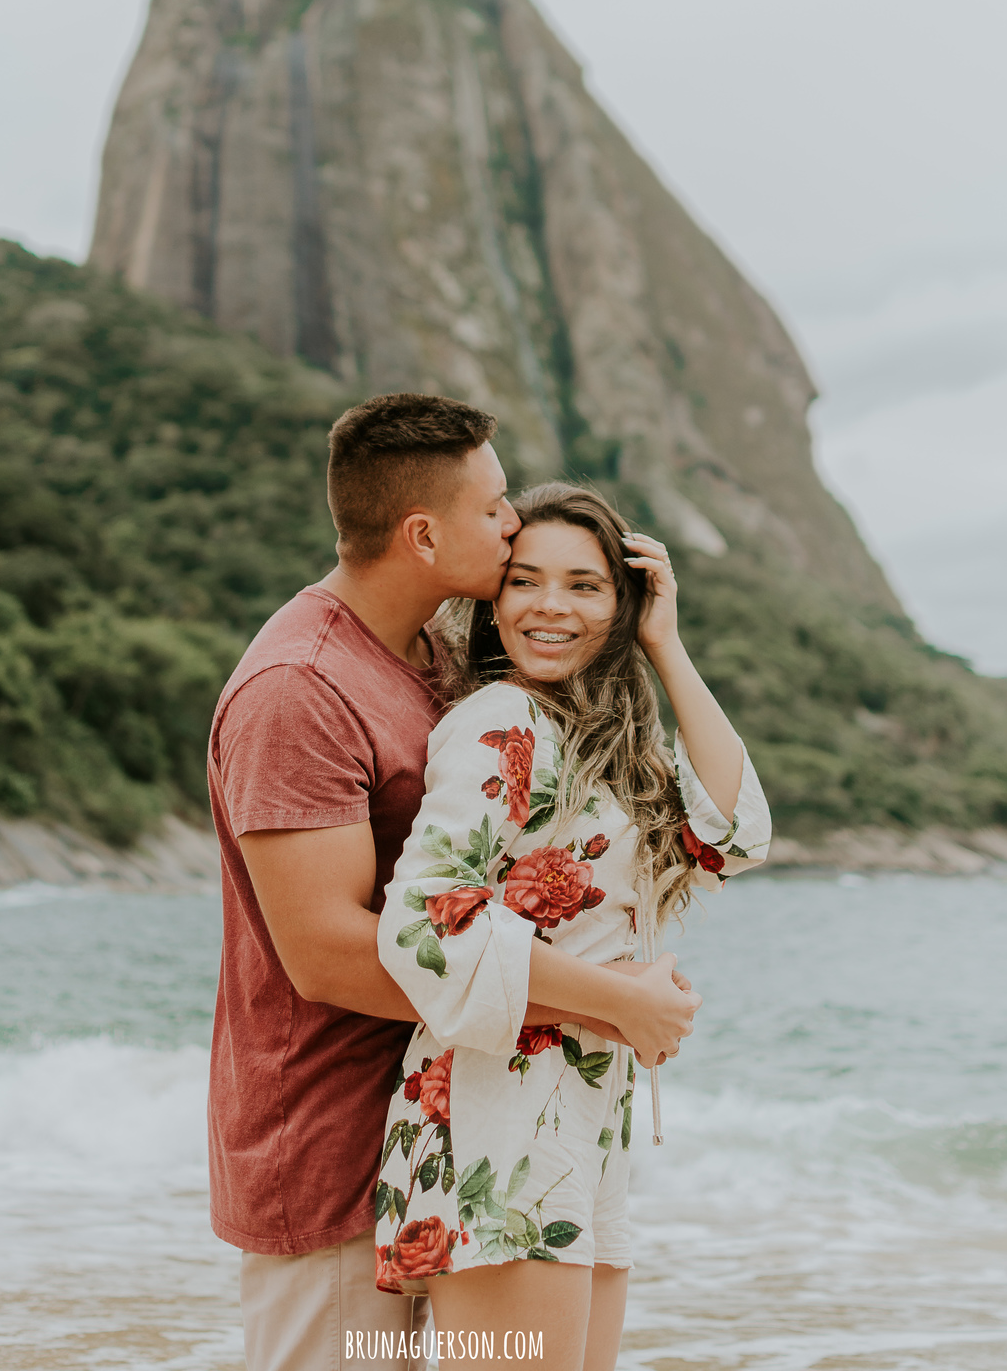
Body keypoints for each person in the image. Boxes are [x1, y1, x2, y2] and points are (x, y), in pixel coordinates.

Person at [207, 395, 698, 1371]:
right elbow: (327, 956)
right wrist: (605, 1001)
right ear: (424, 535)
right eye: (493, 506)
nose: (512, 523)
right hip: (331, 1149)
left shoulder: (432, 656)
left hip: (453, 1130)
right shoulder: (297, 691)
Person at [374, 482, 771, 1371]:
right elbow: (423, 922)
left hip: (578, 1116)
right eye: (524, 581)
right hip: (499, 1114)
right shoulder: (502, 720)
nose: (549, 605)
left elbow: (736, 835)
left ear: (621, 605)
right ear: (493, 601)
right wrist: (616, 999)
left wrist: (666, 643)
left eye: (585, 586)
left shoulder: (602, 745)